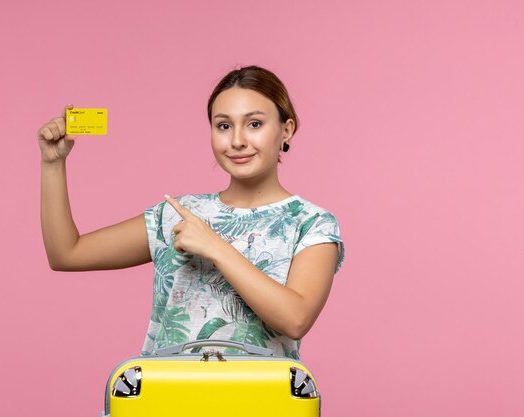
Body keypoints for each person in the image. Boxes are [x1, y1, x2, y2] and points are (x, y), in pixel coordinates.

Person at [38, 65, 345, 360]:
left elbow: (296, 318)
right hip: (164, 400)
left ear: (286, 129)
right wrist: (53, 164)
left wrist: (214, 247)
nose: (237, 140)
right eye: (223, 126)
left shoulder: (311, 223)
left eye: (254, 124)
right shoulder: (177, 215)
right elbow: (67, 254)